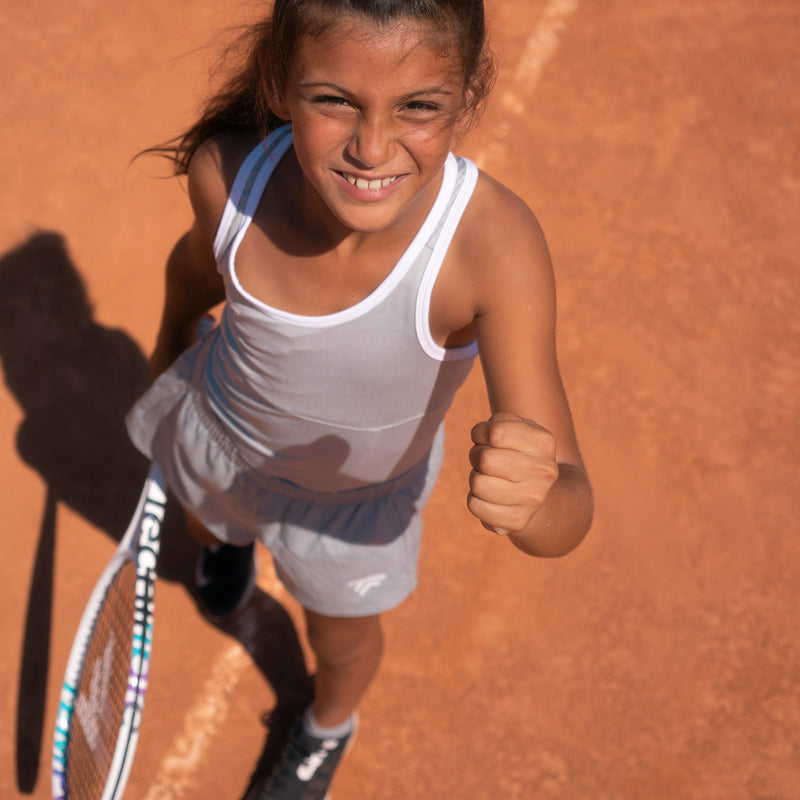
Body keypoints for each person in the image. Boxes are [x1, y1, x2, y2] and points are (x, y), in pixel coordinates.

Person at [126, 0, 593, 797]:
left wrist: (539, 501)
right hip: (219, 435)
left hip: (351, 512)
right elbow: (197, 271)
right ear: (278, 82)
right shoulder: (226, 172)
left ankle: (325, 727)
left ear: (468, 95)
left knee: (339, 645)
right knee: (210, 521)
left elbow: (568, 508)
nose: (372, 147)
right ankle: (229, 546)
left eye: (419, 106)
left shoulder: (492, 249)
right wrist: (170, 346)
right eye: (334, 99)